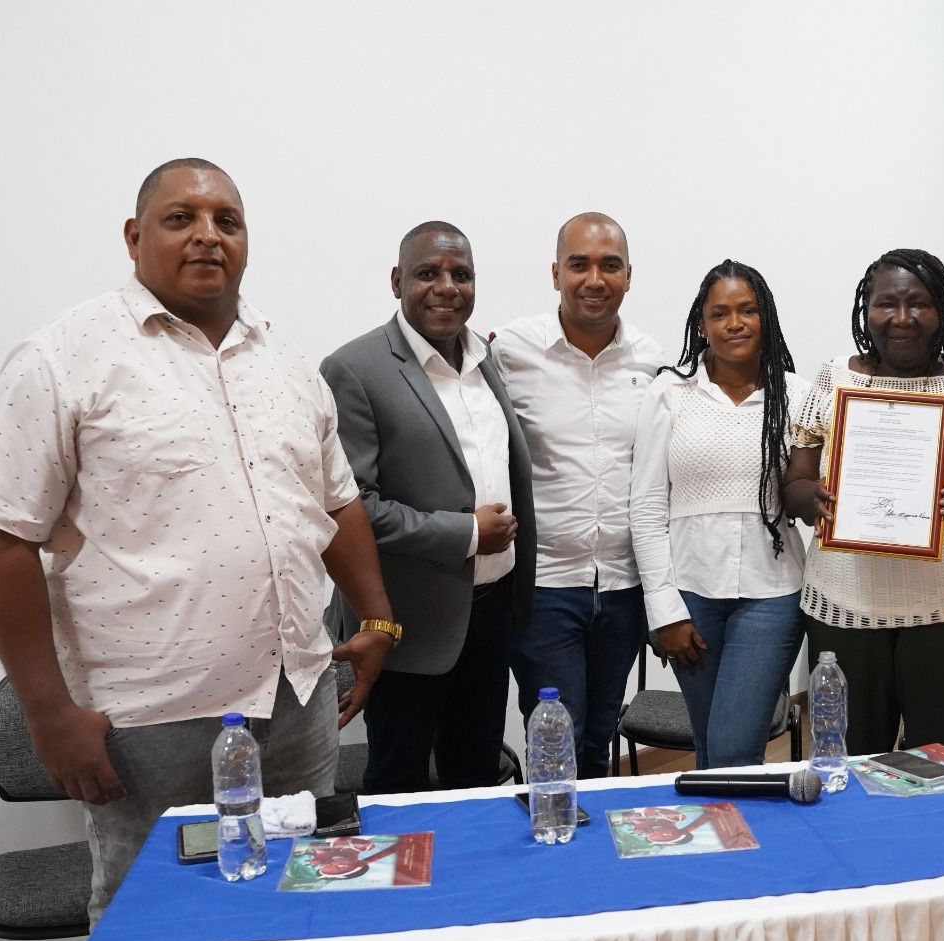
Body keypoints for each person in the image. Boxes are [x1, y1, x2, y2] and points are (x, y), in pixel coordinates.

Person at [0, 158, 395, 922]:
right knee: (156, 933)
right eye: (180, 218)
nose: (206, 236)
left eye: (226, 220)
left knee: (307, 909)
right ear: (134, 237)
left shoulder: (287, 361)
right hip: (151, 721)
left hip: (299, 702)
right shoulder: (65, 358)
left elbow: (339, 503)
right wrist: (47, 712)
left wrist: (378, 617)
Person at [783, 249, 944, 754]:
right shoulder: (833, 381)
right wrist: (815, 497)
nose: (901, 318)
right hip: (846, 609)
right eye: (886, 304)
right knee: (846, 763)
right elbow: (794, 487)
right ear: (864, 311)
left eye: (918, 304)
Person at [320, 221, 535, 793]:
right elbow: (349, 504)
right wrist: (465, 532)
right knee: (399, 785)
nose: (446, 287)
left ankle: (469, 883)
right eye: (427, 273)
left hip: (489, 612)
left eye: (460, 275)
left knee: (476, 775)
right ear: (397, 282)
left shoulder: (483, 357)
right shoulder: (355, 369)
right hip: (405, 622)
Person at [492, 213, 663, 777]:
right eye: (579, 264)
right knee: (554, 735)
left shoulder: (651, 359)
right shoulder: (510, 352)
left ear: (629, 276)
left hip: (622, 585)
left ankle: (593, 856)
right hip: (544, 587)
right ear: (555, 273)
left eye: (609, 265)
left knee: (598, 736)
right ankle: (552, 833)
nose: (595, 279)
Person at [630, 260, 809, 770]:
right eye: (721, 313)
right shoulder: (670, 393)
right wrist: (664, 610)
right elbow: (644, 507)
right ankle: (727, 845)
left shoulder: (794, 395)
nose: (735, 323)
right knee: (711, 749)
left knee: (733, 748)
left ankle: (736, 841)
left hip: (773, 594)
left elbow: (808, 490)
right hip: (690, 595)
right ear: (702, 323)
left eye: (748, 310)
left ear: (765, 317)